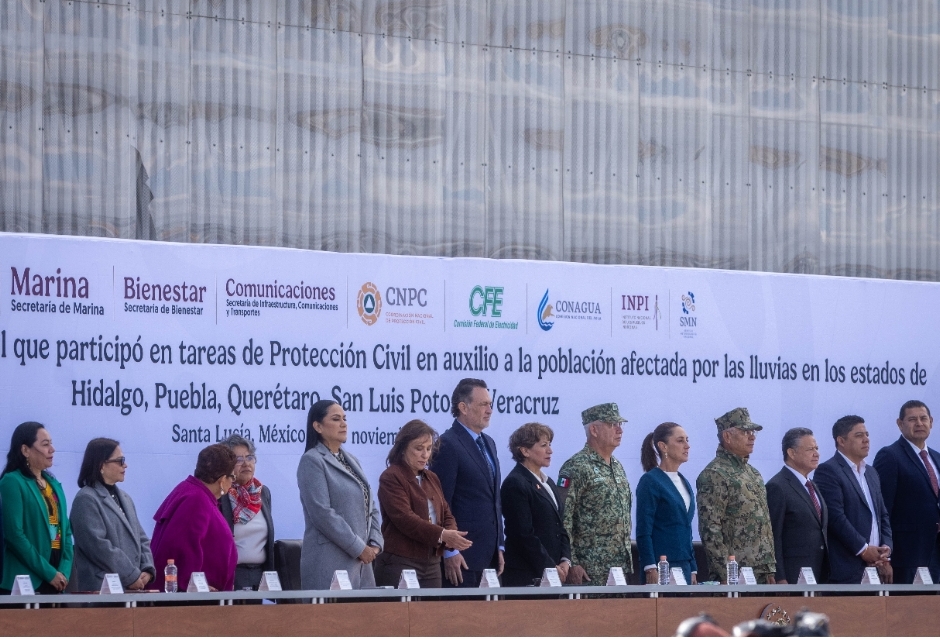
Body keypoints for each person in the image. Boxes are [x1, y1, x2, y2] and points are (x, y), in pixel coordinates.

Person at [297, 400, 383, 590]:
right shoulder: (312, 461)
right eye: (336, 419)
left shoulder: (353, 461)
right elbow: (322, 513)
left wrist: (375, 542)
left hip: (362, 564)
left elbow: (370, 506)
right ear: (318, 426)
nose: (343, 424)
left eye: (345, 419)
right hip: (330, 563)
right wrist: (359, 548)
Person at [374, 420, 471, 588]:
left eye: (428, 448)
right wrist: (443, 535)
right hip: (400, 560)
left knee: (432, 606)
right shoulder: (391, 477)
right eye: (419, 448)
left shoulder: (432, 477)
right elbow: (405, 519)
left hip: (432, 562)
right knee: (399, 607)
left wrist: (452, 536)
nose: (425, 455)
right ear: (403, 448)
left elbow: (446, 513)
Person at [430, 378, 504, 587]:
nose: (490, 410)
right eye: (483, 404)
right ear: (463, 407)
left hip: (490, 556)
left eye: (490, 404)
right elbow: (440, 502)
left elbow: (493, 500)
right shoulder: (448, 444)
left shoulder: (489, 443)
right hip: (462, 557)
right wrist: (449, 550)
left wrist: (499, 545)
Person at [696, 407, 776, 584]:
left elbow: (763, 524)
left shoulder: (753, 473)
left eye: (753, 432)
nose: (752, 437)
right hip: (736, 574)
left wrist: (770, 570)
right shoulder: (715, 474)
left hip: (762, 571)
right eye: (745, 432)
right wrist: (725, 573)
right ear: (727, 436)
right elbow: (710, 529)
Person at [557, 402, 632, 585]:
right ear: (594, 430)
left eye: (620, 424)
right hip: (589, 570)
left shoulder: (617, 466)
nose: (619, 430)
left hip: (619, 569)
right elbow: (563, 519)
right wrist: (572, 561)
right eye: (612, 424)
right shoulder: (575, 466)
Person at [814, 415, 892, 584]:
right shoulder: (828, 471)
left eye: (867, 434)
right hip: (847, 568)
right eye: (859, 435)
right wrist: (863, 549)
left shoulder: (871, 472)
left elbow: (882, 516)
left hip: (877, 567)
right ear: (841, 441)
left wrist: (886, 549)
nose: (866, 440)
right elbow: (835, 517)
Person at [70, 438, 155, 591]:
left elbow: (141, 538)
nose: (125, 465)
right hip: (102, 590)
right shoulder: (86, 499)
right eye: (120, 461)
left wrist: (147, 569)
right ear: (101, 465)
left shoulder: (126, 498)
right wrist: (131, 575)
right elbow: (98, 547)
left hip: (131, 588)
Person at [151, 444, 238, 591]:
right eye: (232, 477)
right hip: (190, 598)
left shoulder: (195, 493)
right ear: (223, 480)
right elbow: (183, 548)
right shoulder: (196, 499)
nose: (232, 483)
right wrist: (193, 585)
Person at [0, 422, 73, 593]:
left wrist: (64, 572)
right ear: (25, 450)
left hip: (57, 576)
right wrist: (48, 573)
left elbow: (66, 532)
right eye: (45, 444)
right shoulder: (12, 482)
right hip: (26, 581)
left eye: (51, 443)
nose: (52, 449)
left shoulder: (53, 484)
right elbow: (14, 535)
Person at [873, 400, 940, 583]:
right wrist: (885, 557)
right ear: (900, 423)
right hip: (906, 556)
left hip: (936, 554)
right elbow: (882, 509)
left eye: (923, 418)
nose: (919, 423)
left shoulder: (937, 458)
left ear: (931, 422)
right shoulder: (890, 456)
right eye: (912, 419)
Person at [500, 422, 571, 587]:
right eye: (544, 445)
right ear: (525, 451)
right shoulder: (515, 483)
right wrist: (549, 566)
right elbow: (523, 534)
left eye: (550, 444)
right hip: (527, 574)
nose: (550, 450)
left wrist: (565, 560)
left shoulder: (549, 482)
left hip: (554, 572)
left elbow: (560, 525)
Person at [635, 422, 697, 584]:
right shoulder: (650, 481)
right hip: (661, 566)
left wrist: (693, 568)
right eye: (680, 440)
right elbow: (644, 529)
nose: (687, 445)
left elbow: (686, 528)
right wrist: (650, 566)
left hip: (684, 565)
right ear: (663, 446)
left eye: (687, 440)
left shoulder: (683, 481)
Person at [766, 428, 829, 584]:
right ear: (792, 453)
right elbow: (772, 535)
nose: (816, 454)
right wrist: (779, 576)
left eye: (816, 448)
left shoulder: (812, 485)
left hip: (819, 573)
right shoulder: (777, 486)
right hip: (793, 575)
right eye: (810, 449)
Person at [219, 435, 275, 592]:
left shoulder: (262, 492)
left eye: (250, 457)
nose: (246, 463)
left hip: (260, 576)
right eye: (238, 459)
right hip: (231, 575)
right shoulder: (221, 495)